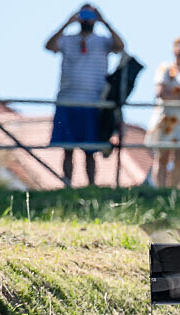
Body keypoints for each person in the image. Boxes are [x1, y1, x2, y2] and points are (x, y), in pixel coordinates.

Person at [45, 4, 124, 186]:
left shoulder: (103, 41)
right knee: (67, 148)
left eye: (91, 15)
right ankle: (66, 185)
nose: (87, 19)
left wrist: (105, 22)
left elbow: (120, 46)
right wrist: (67, 23)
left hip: (93, 102)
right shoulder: (66, 39)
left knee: (91, 150)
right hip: (67, 100)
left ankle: (91, 187)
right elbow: (49, 46)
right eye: (84, 14)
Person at [145, 37, 180, 188]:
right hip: (165, 119)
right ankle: (160, 190)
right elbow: (161, 92)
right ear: (173, 48)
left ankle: (173, 191)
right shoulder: (165, 68)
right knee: (162, 157)